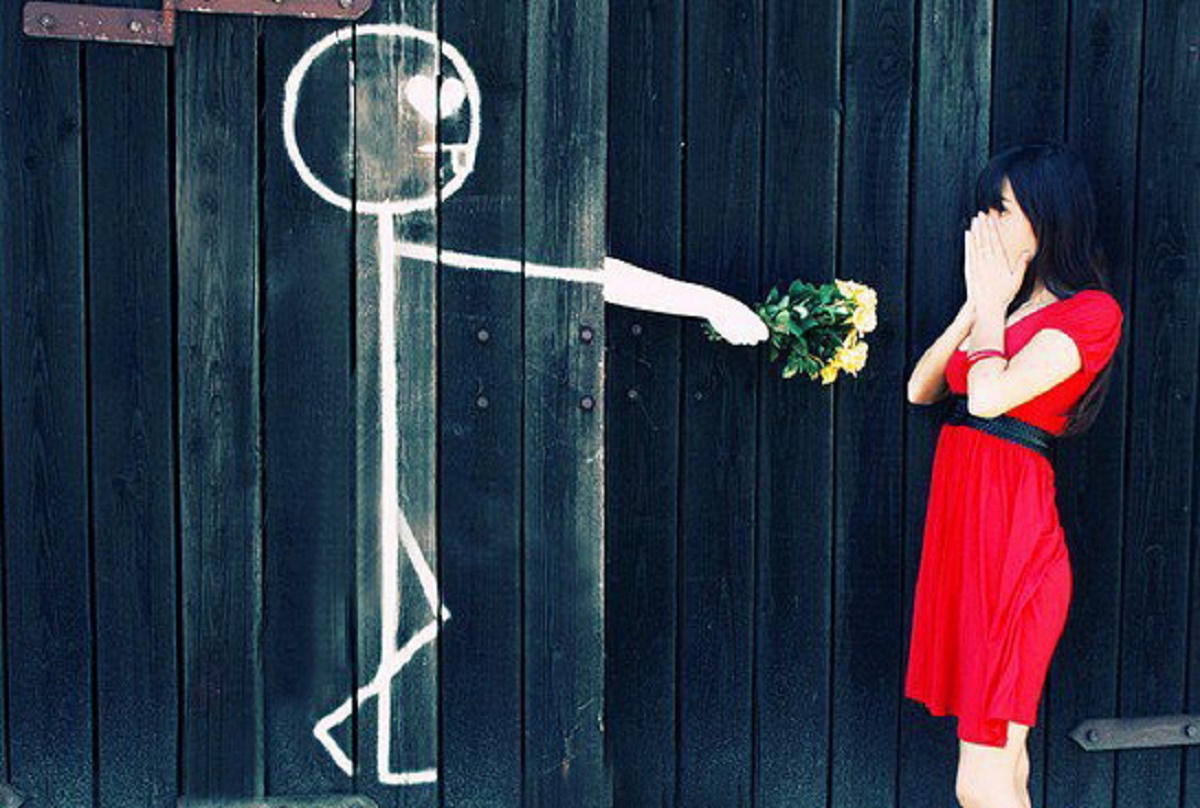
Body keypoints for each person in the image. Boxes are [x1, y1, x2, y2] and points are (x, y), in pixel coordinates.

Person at [904, 142, 1125, 808]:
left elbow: (989, 397)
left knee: (980, 781)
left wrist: (993, 307)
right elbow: (921, 388)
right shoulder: (1003, 309)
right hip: (967, 544)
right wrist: (977, 307)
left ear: (1048, 213)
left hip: (1013, 550)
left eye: (1001, 208)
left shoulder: (1091, 313)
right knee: (1007, 769)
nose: (987, 222)